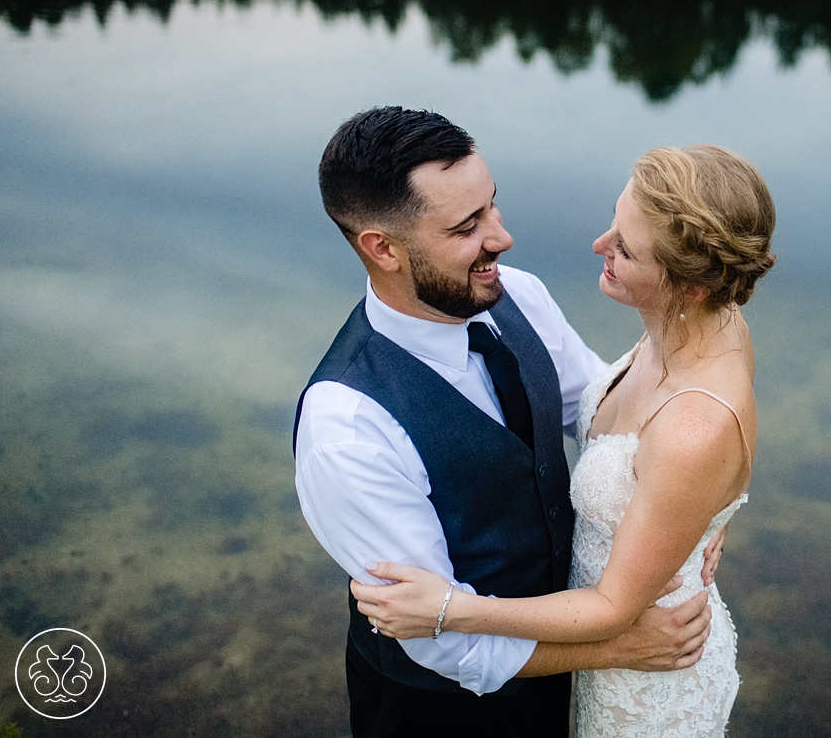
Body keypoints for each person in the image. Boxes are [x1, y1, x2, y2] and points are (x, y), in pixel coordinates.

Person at [293, 108, 721, 738]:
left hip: (564, 670)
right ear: (382, 248)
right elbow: (444, 647)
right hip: (441, 716)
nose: (502, 237)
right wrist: (620, 647)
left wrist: (697, 504)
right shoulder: (348, 429)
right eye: (468, 227)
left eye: (492, 206)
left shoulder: (514, 292)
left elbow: (604, 413)